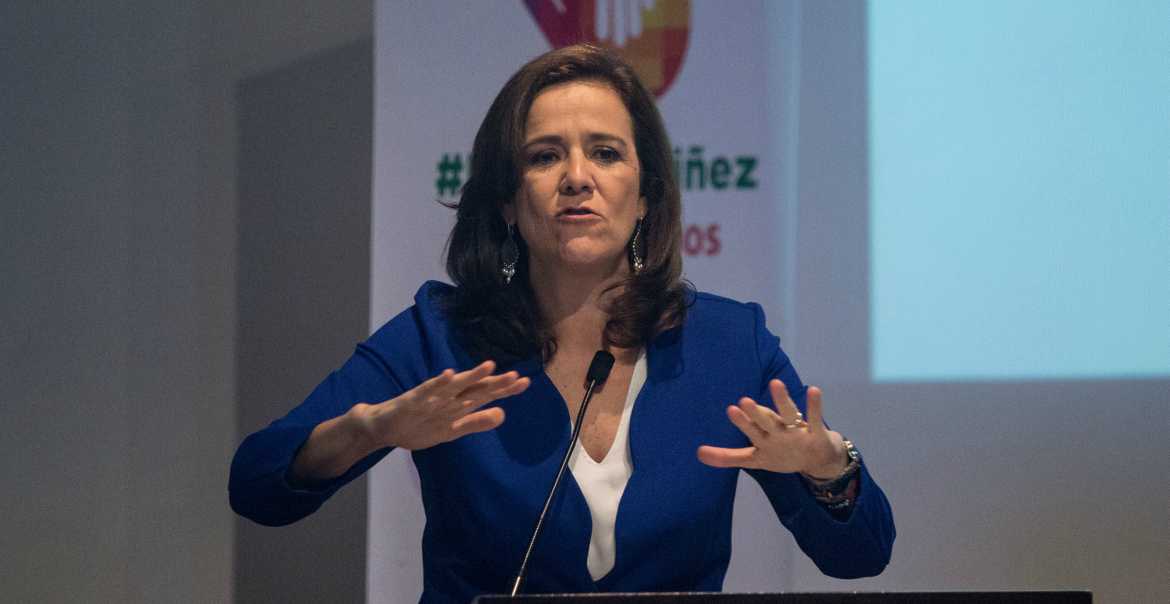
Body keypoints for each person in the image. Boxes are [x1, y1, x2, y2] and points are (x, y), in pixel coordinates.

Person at [229, 44, 894, 602]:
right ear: (507, 201)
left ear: (645, 196)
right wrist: (369, 430)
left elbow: (861, 555)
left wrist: (829, 470)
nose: (577, 177)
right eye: (545, 156)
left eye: (605, 153)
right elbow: (256, 484)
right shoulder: (441, 338)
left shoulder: (727, 346)